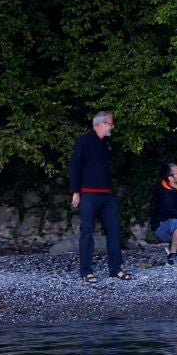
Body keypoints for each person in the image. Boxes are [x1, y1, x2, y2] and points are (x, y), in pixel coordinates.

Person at [69, 111, 131, 283]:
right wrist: (75, 191)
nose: (112, 126)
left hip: (106, 195)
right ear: (101, 123)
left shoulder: (104, 144)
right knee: (87, 231)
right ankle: (86, 271)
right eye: (110, 123)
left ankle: (115, 268)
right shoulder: (85, 141)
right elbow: (74, 165)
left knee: (114, 229)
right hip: (89, 194)